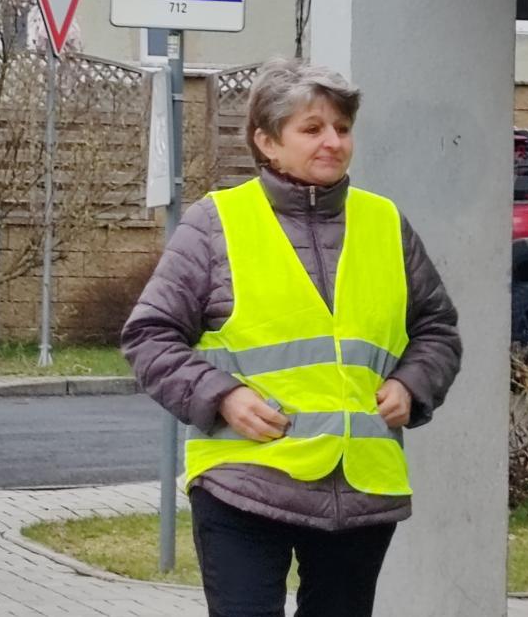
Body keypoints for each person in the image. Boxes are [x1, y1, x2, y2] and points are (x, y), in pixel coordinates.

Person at [122, 58, 461, 617]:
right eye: (312, 128)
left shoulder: (385, 223)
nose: (333, 142)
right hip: (243, 485)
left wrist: (413, 383)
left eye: (342, 128)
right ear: (267, 141)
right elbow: (150, 336)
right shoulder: (216, 224)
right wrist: (222, 396)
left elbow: (436, 329)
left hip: (360, 491)